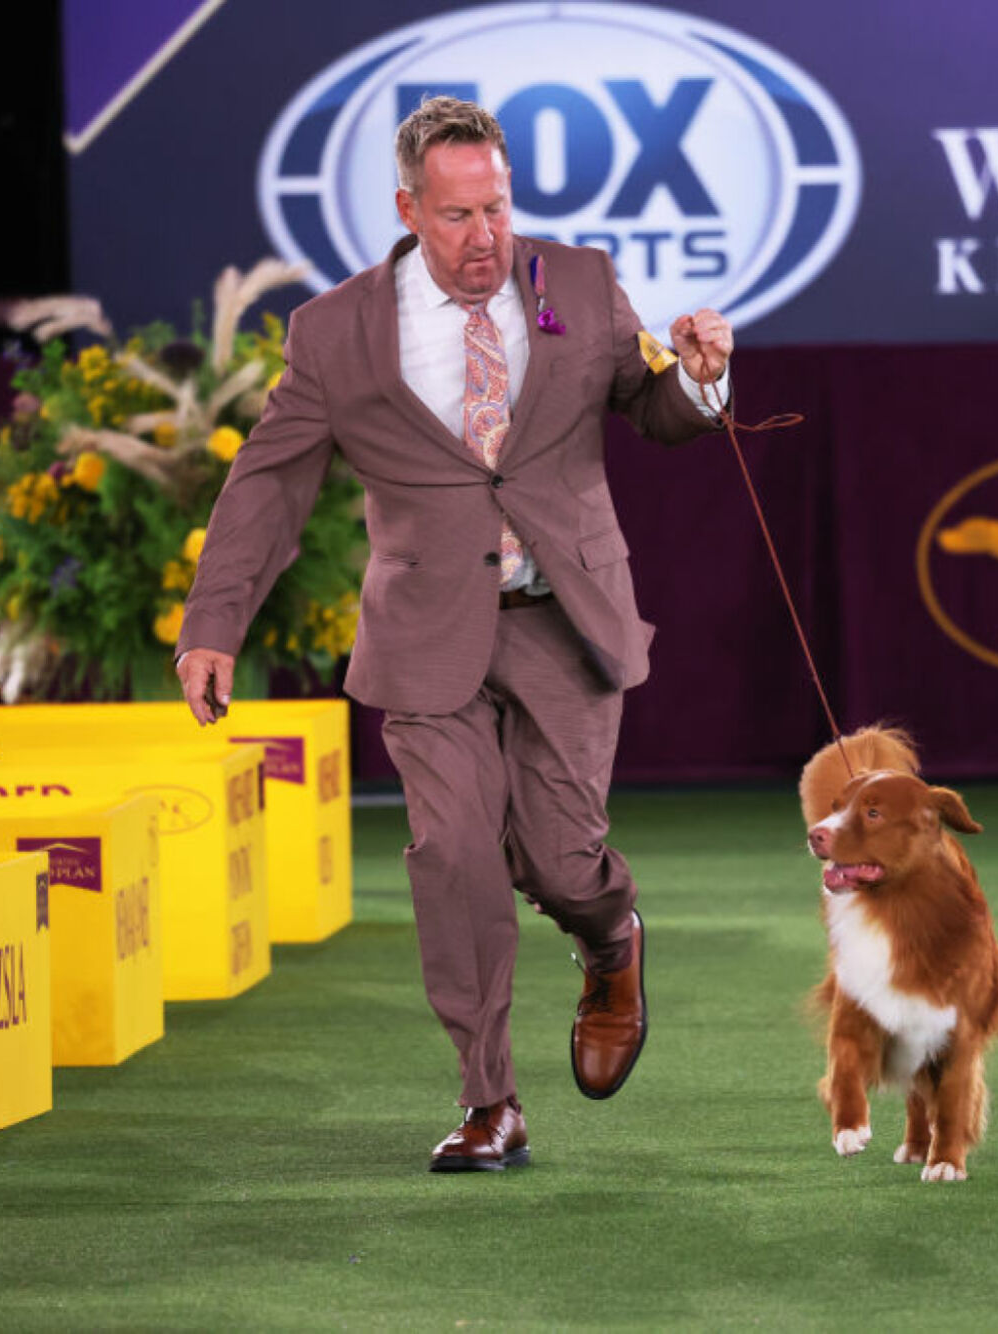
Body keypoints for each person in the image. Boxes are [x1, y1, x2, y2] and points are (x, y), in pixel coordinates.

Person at [175, 96, 733, 1173]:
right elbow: (268, 483)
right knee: (454, 856)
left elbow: (650, 407)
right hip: (426, 637)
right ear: (405, 209)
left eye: (497, 207)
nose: (484, 238)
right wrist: (215, 623)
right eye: (456, 215)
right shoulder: (335, 331)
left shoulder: (575, 279)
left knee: (562, 862)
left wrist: (702, 378)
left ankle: (609, 934)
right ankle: (490, 1099)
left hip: (565, 620)